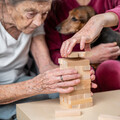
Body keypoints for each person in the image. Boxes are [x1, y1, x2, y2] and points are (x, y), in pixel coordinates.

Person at [0, 0, 95, 119]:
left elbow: (45, 66)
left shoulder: (32, 23)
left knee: (61, 92)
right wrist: (35, 86)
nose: (39, 23)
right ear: (7, 3)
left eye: (44, 13)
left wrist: (73, 77)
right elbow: (36, 85)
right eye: (31, 14)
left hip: (20, 80)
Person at [45, 0, 120, 92]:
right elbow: (53, 55)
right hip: (77, 73)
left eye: (74, 19)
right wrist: (88, 57)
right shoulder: (55, 5)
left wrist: (100, 19)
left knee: (112, 67)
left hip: (109, 73)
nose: (63, 24)